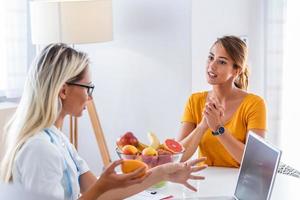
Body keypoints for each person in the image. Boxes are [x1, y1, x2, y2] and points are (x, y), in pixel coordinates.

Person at [0, 44, 207, 200]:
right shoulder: (40, 150)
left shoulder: (57, 139)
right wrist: (102, 187)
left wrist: (163, 173)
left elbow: (99, 192)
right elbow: (98, 191)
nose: (90, 97)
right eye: (87, 88)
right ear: (63, 90)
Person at [178, 35, 267, 168]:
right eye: (211, 57)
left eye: (222, 62)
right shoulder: (194, 101)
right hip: (205, 181)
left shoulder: (254, 104)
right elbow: (178, 157)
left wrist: (218, 129)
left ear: (236, 70)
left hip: (239, 183)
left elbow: (254, 160)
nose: (212, 66)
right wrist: (203, 126)